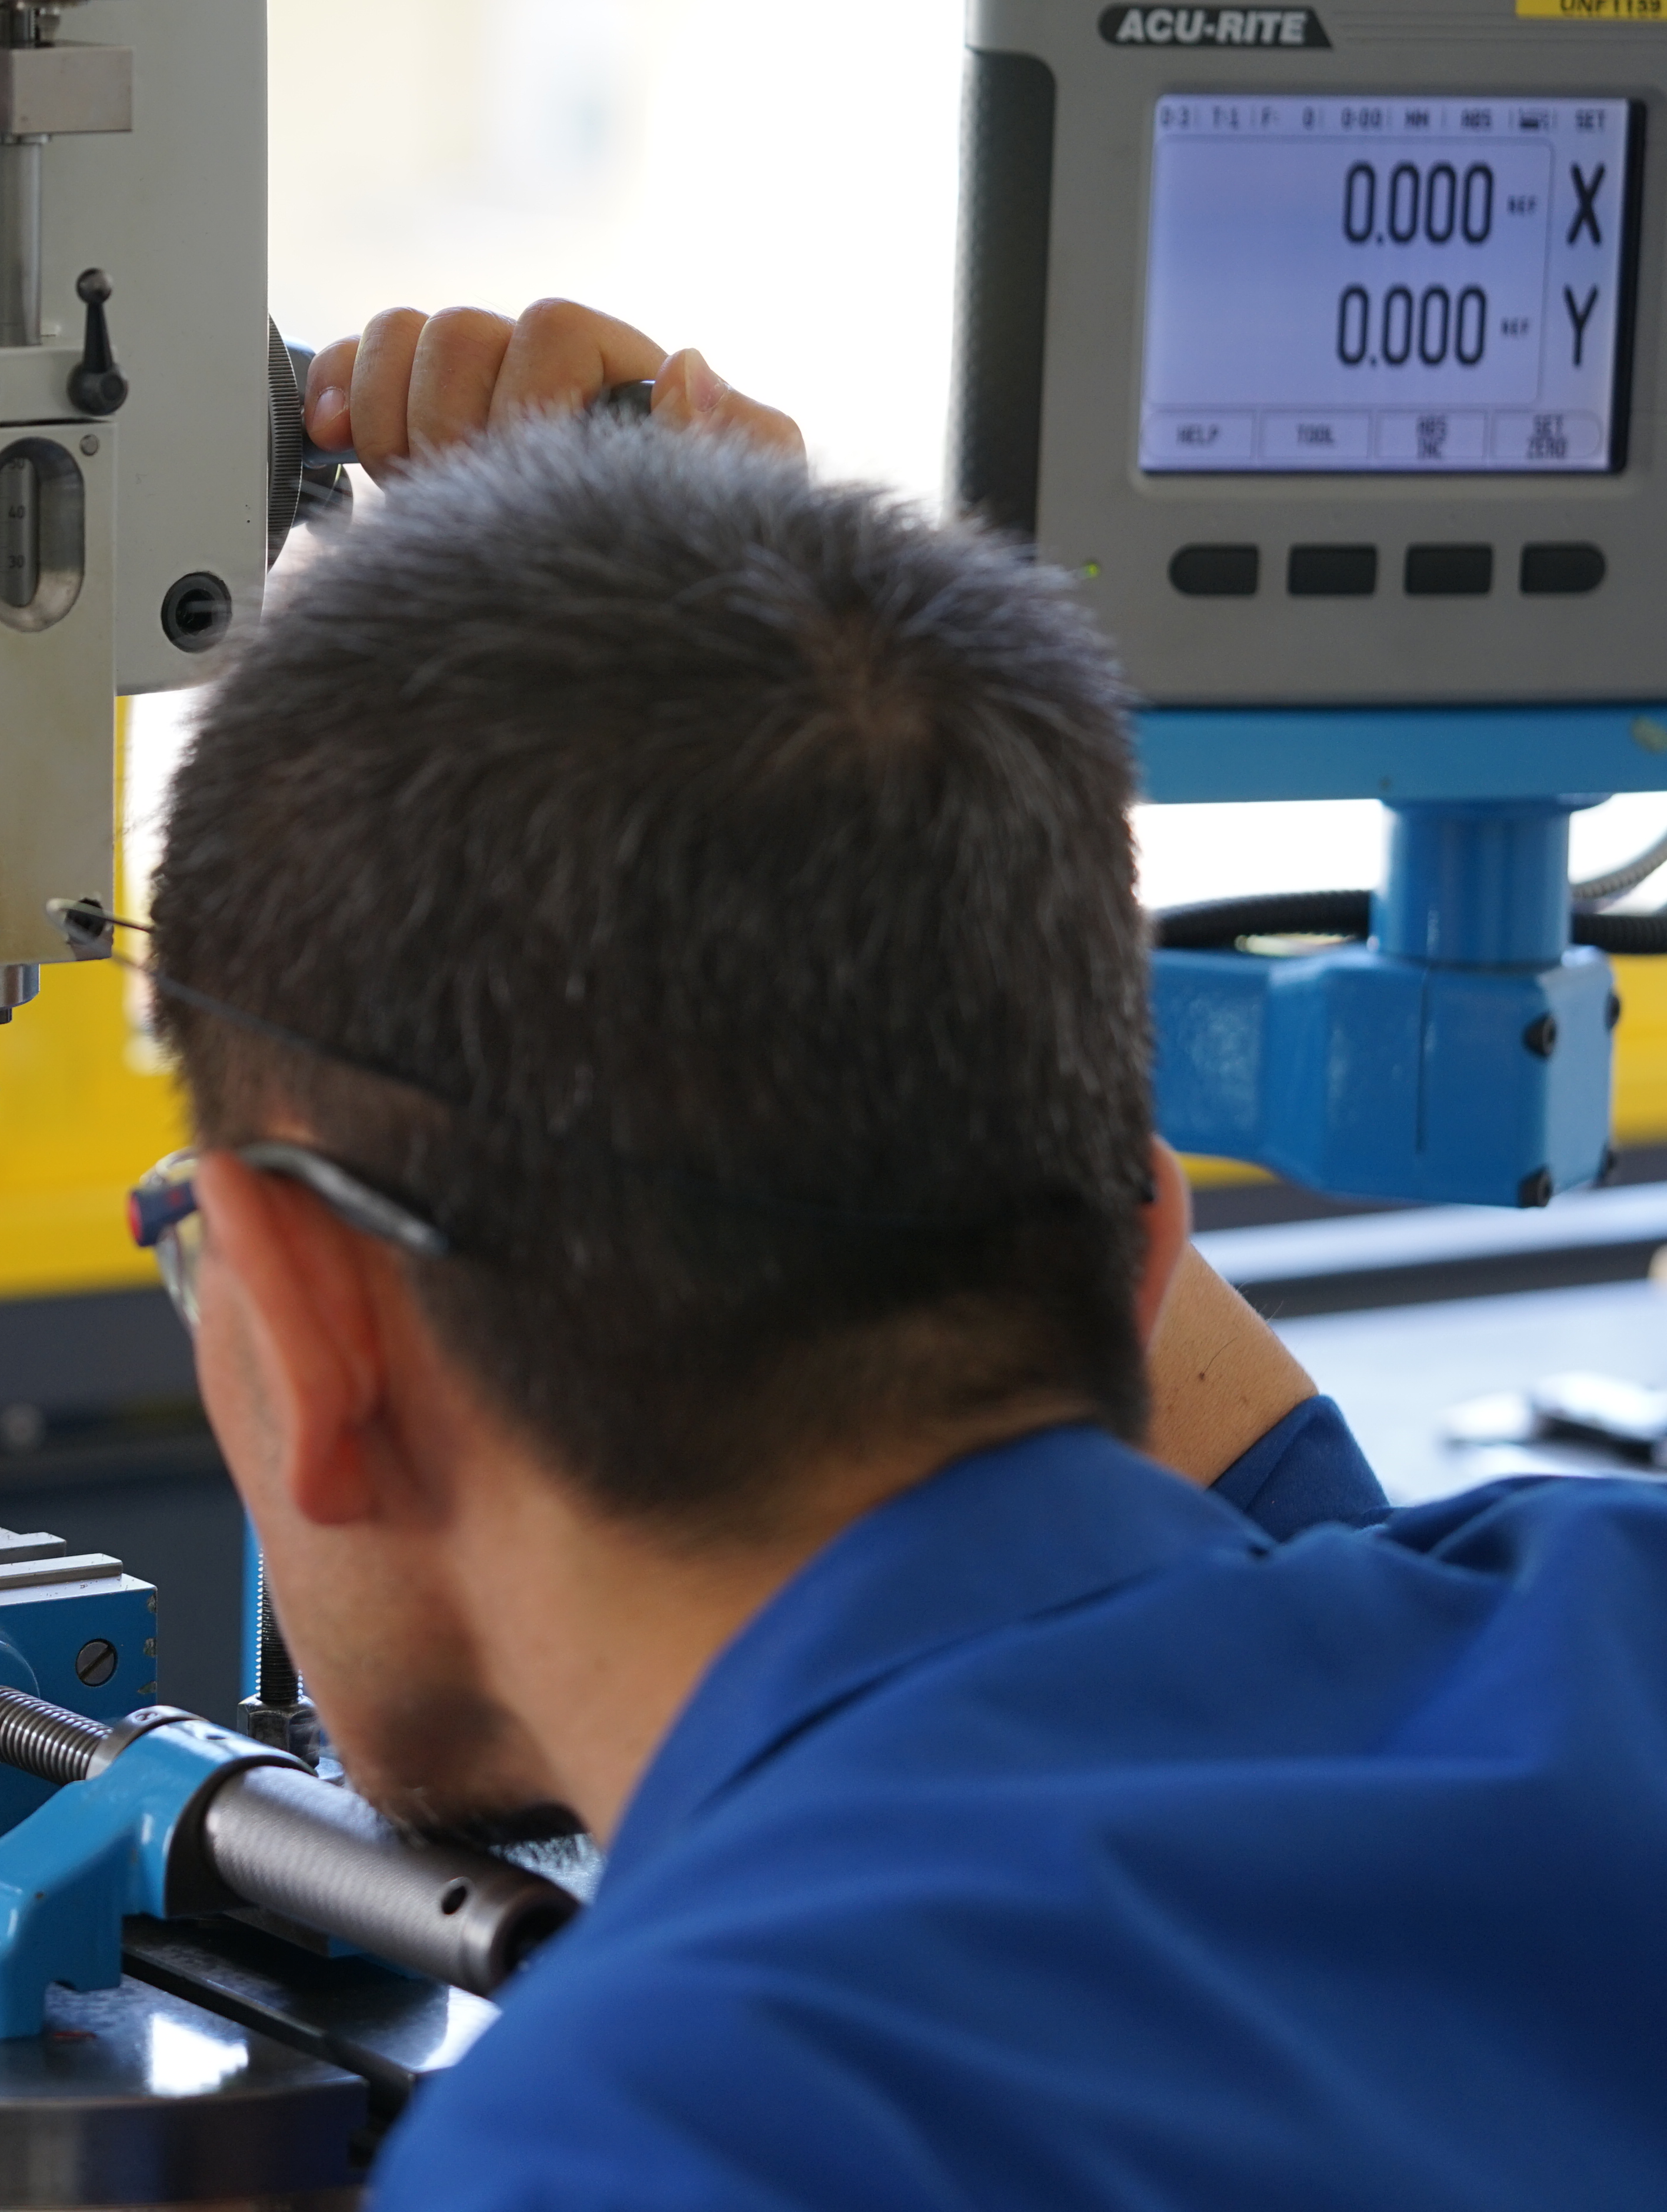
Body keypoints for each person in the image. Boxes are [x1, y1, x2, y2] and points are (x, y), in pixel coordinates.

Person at [133, 299, 1667, 2204]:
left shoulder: (645, 2149)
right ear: (1148, 1250)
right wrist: (775, 732)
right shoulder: (1610, 1631)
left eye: (192, 1251)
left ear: (314, 1332)